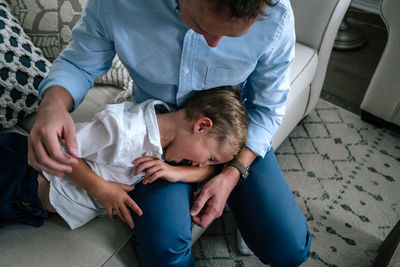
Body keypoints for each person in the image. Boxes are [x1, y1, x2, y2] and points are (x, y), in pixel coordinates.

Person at [28, 0, 312, 266]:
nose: (214, 43)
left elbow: (267, 108)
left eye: (233, 35)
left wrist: (231, 173)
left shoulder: (276, 15)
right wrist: (51, 107)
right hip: (155, 136)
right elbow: (80, 62)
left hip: (231, 135)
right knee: (164, 251)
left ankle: (240, 205)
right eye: (204, 28)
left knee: (290, 249)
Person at [1, 86, 248, 230]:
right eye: (211, 157)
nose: (203, 165)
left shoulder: (172, 143)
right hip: (22, 176)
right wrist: (101, 189)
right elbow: (56, 147)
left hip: (30, 203)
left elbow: (209, 173)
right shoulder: (124, 130)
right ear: (201, 126)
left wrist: (177, 172)